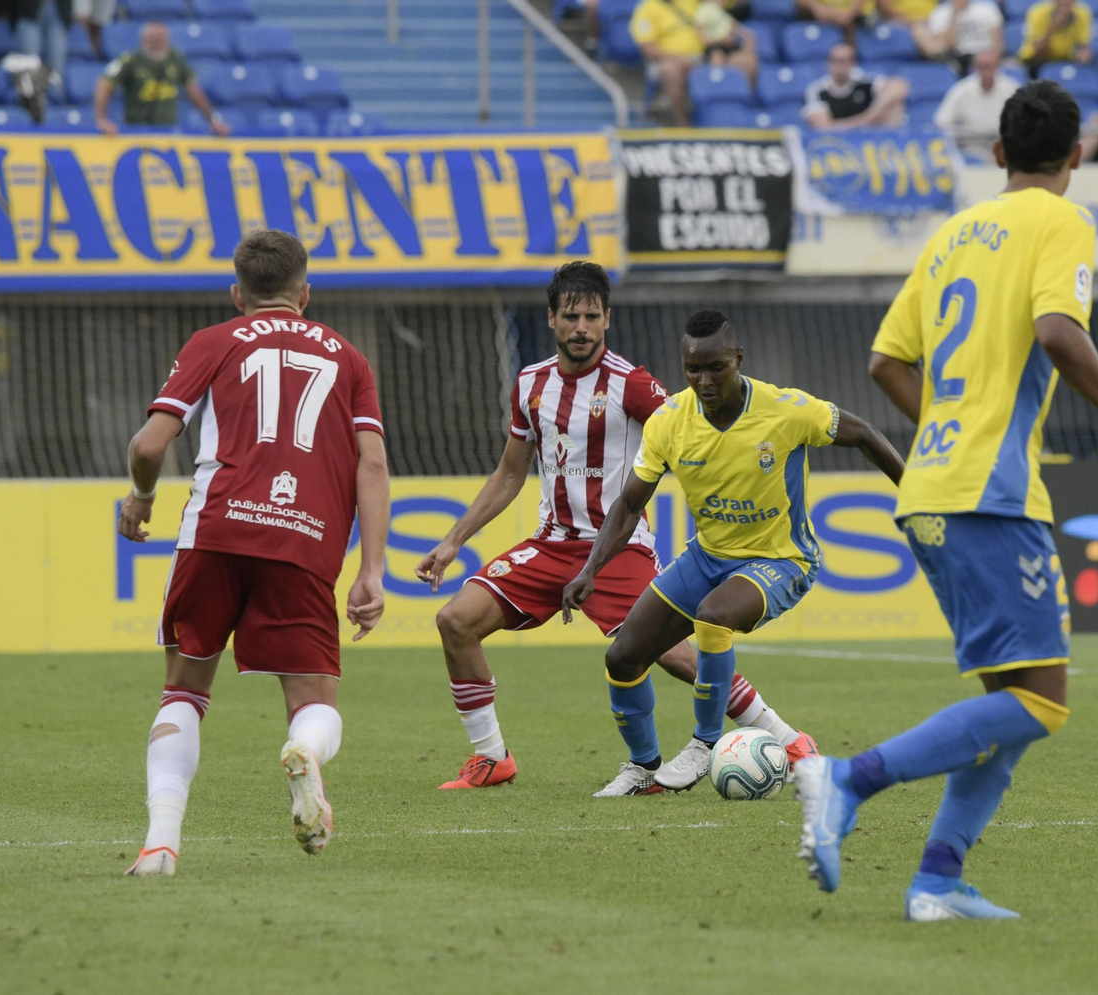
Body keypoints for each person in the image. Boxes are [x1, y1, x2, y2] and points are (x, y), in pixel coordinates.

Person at [798, 79, 1098, 922]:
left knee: (1012, 702)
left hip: (933, 484)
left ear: (997, 153)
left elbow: (886, 362)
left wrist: (948, 427)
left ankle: (937, 879)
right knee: (1041, 700)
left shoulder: (954, 232)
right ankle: (848, 777)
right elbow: (1058, 331)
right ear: (1078, 155)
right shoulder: (1063, 219)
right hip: (989, 494)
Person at [415, 263, 818, 797]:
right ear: (552, 320)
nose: (581, 327)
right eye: (571, 316)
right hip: (550, 544)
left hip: (617, 549)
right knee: (455, 621)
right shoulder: (531, 385)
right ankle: (491, 757)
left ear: (607, 320)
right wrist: (453, 540)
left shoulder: (633, 384)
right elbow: (510, 473)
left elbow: (691, 428)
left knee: (671, 653)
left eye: (591, 316)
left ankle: (786, 739)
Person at [117, 229, 391, 877]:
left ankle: (160, 842)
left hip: (215, 531)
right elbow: (371, 462)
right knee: (315, 700)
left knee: (183, 693)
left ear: (237, 292)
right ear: (306, 290)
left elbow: (150, 446)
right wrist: (371, 569)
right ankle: (303, 747)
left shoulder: (214, 340)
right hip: (303, 541)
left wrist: (140, 498)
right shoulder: (350, 359)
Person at [560, 311, 906, 793]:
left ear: (738, 359)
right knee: (623, 656)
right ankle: (643, 769)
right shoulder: (669, 422)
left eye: (715, 368)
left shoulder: (785, 410)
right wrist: (591, 568)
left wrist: (913, 494)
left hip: (780, 561)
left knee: (714, 615)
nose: (704, 381)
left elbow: (864, 434)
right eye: (692, 370)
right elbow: (630, 503)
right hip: (707, 557)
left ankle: (705, 744)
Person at [629, 0, 758, 127]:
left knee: (745, 62)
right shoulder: (647, 8)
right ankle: (683, 126)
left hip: (706, 54)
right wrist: (678, 57)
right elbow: (648, 48)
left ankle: (744, 120)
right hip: (669, 59)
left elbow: (738, 4)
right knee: (670, 69)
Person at [95, 21, 230, 136]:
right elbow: (105, 83)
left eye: (162, 40)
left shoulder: (176, 60)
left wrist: (212, 120)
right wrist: (102, 119)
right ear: (144, 41)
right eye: (154, 40)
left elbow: (194, 91)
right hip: (136, 131)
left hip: (168, 132)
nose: (158, 44)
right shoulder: (130, 60)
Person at [933, 48, 1019, 161]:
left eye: (990, 67)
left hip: (1004, 145)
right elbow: (941, 122)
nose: (986, 72)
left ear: (998, 67)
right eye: (982, 67)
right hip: (972, 147)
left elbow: (1025, 121)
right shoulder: (961, 89)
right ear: (974, 68)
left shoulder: (1011, 89)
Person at [803, 42, 912, 129]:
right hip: (836, 146)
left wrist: (871, 115)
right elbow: (824, 127)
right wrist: (864, 122)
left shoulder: (864, 82)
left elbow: (899, 86)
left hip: (869, 141)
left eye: (844, 61)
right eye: (835, 61)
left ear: (852, 63)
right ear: (828, 63)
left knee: (895, 107)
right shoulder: (817, 90)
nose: (839, 66)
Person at [918, 0, 1004, 72]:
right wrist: (954, 14)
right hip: (960, 58)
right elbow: (949, 45)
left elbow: (998, 42)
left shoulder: (987, 9)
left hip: (986, 55)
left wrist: (994, 60)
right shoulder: (940, 13)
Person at [1017, 0, 1092, 75]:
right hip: (1036, 61)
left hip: (1066, 60)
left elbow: (1084, 45)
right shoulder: (1038, 13)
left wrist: (1083, 54)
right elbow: (1039, 52)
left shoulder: (1082, 13)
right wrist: (1053, 27)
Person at [11, 0, 69, 77]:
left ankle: (54, 88)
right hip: (29, 10)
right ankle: (30, 88)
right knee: (30, 64)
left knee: (56, 69)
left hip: (58, 9)